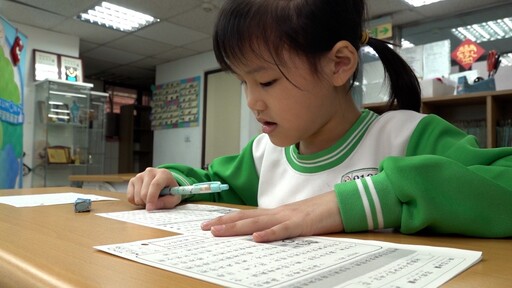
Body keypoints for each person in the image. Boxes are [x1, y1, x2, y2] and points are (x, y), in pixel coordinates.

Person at [128, 0, 512, 242]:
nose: (251, 101)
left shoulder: (408, 136)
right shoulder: (263, 155)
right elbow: (214, 185)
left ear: (339, 64)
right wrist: (174, 181)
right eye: (243, 83)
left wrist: (366, 200)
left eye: (265, 81)